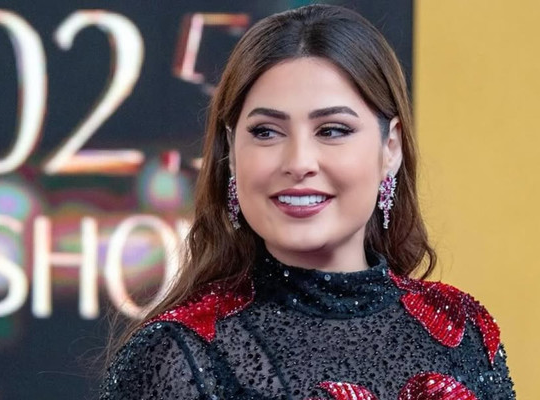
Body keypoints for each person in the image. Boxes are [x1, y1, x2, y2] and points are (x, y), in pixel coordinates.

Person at [100, 4, 515, 399]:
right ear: (232, 153)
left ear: (390, 147)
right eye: (266, 132)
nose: (299, 163)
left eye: (332, 130)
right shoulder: (177, 357)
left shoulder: (465, 330)